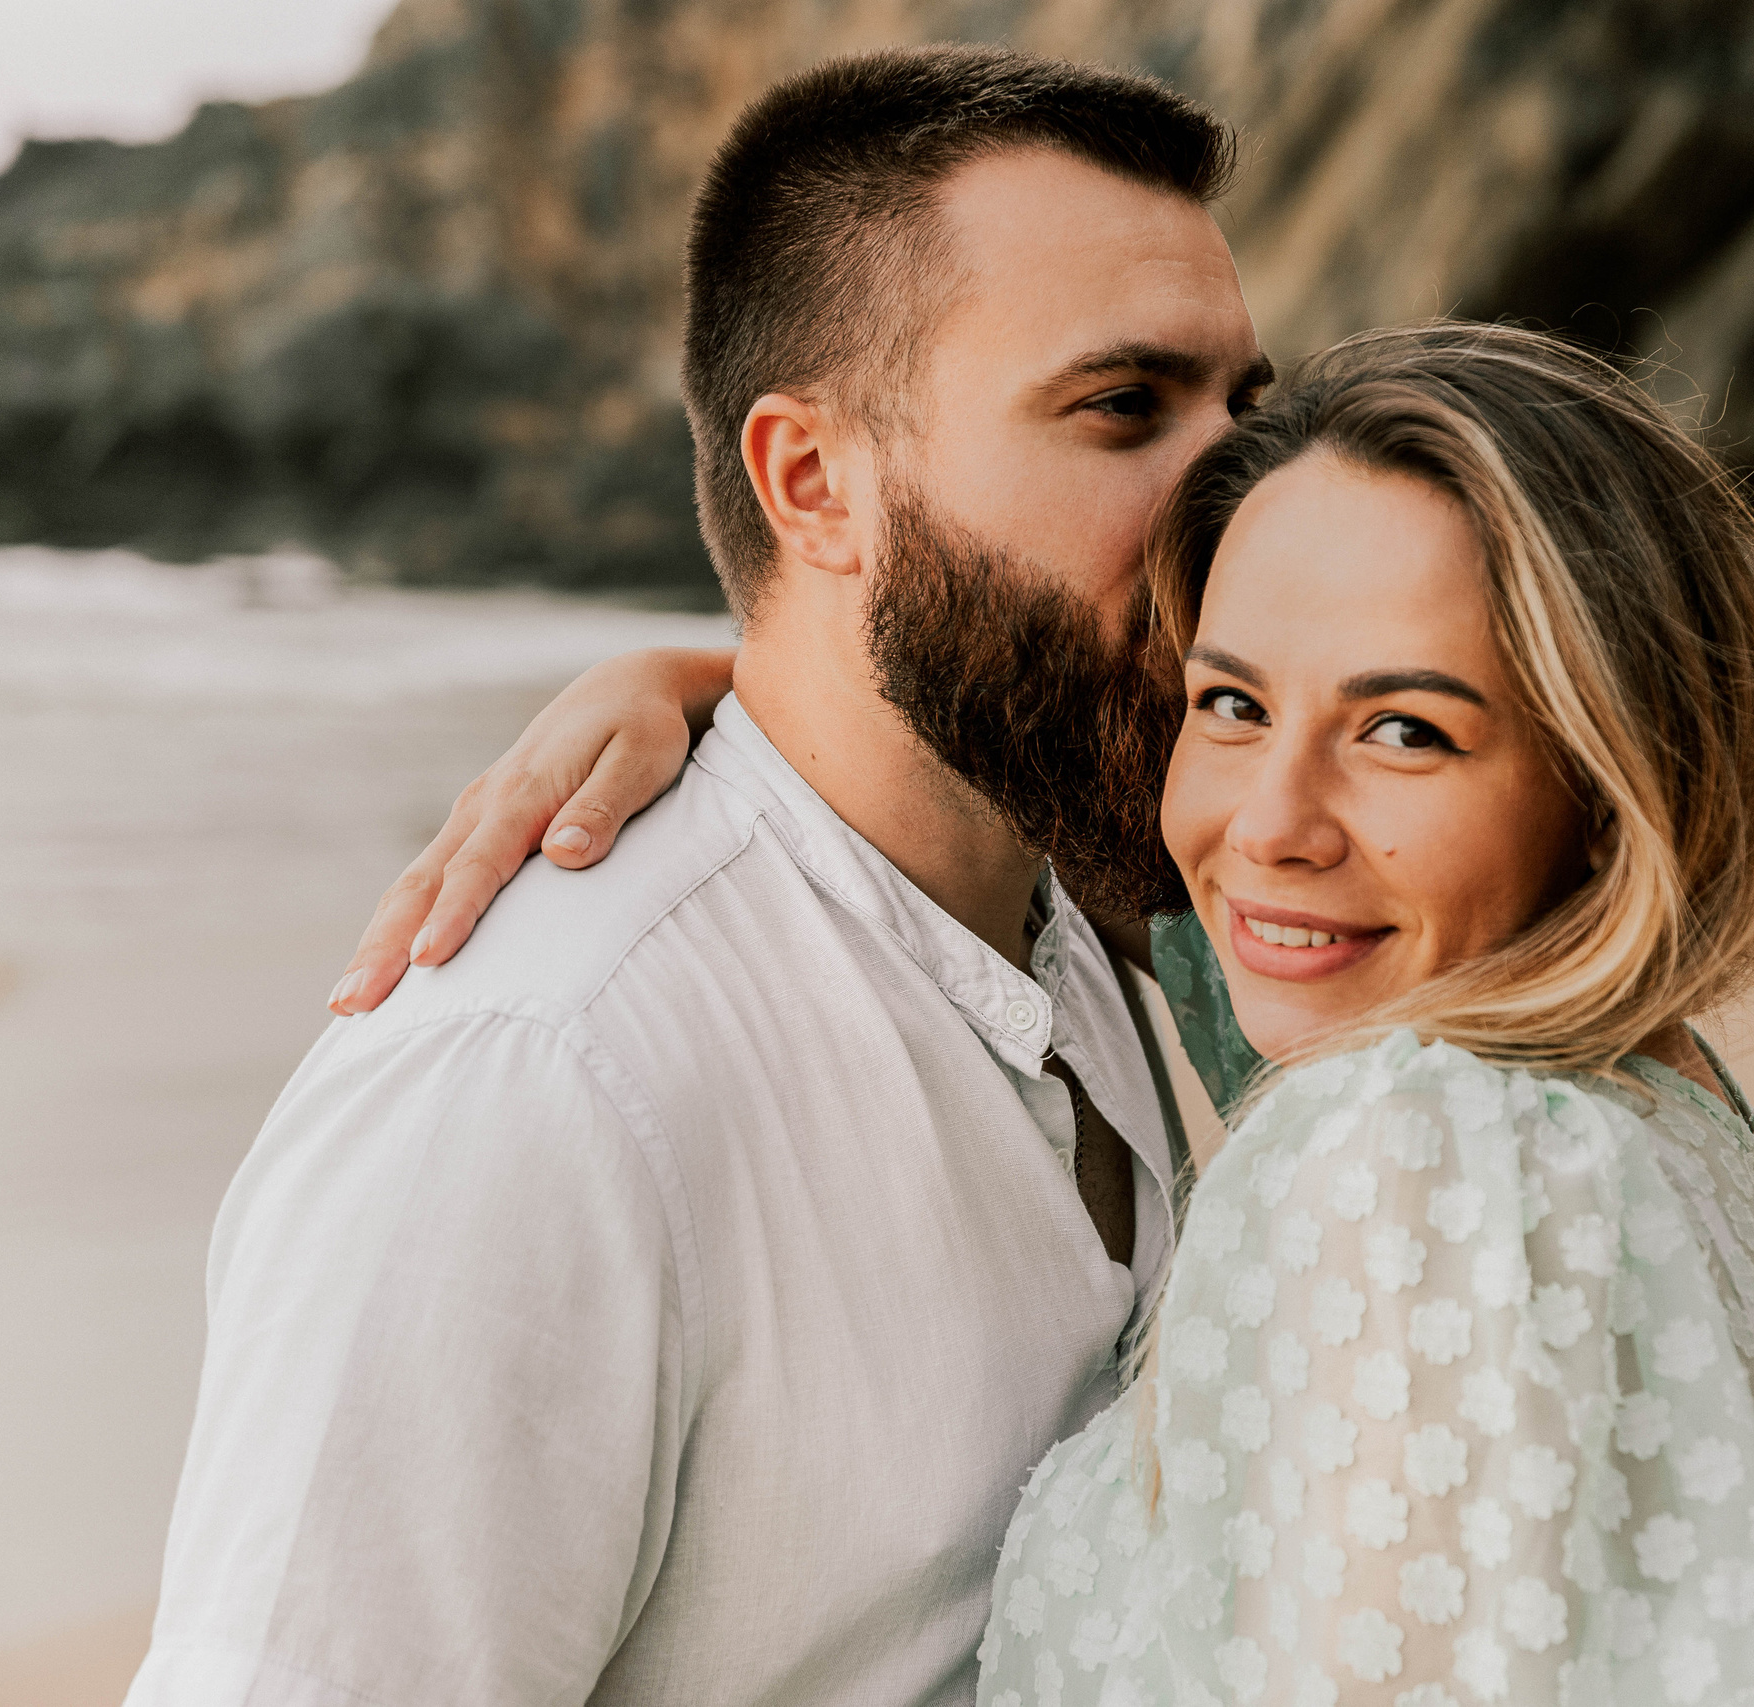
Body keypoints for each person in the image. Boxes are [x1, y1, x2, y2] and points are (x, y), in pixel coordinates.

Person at [343, 324, 1754, 1704]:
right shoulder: (1626, 1089)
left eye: (1408, 730)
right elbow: (1150, 870)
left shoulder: (1418, 1150)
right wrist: (736, 694)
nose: (1273, 825)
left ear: (1610, 781)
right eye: (1233, 702)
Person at [130, 47, 1272, 1707]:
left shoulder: (1103, 891)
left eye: (1248, 405)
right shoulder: (541, 1083)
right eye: (1124, 409)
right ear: (815, 482)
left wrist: (714, 678)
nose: (1237, 494)